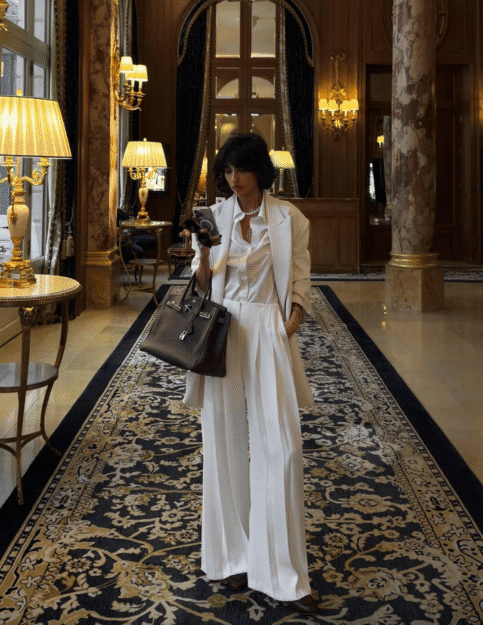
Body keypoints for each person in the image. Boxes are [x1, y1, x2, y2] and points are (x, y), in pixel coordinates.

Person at [183, 133, 317, 614]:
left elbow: (299, 276)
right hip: (222, 330)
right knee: (222, 444)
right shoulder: (213, 216)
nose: (232, 179)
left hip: (267, 329)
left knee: (282, 447)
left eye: (240, 169)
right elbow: (201, 284)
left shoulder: (289, 218)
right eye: (226, 171)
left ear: (260, 170)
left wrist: (293, 316)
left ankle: (285, 576)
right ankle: (235, 558)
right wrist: (202, 251)